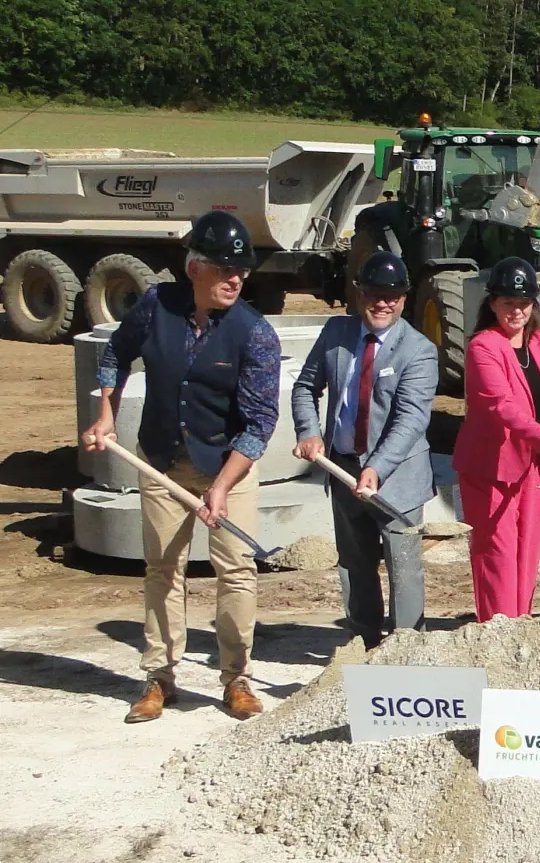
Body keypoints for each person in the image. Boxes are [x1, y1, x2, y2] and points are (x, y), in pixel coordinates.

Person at [81, 211, 280, 723]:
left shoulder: (255, 333)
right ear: (195, 268)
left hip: (229, 466)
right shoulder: (155, 306)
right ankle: (160, 677)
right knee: (164, 569)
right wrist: (106, 412)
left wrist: (222, 486)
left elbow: (260, 423)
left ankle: (236, 678)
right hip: (162, 462)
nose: (235, 279)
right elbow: (115, 354)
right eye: (224, 269)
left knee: (236, 570)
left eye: (242, 271)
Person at [291, 252, 438, 650]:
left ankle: (406, 649)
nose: (382, 303)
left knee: (403, 568)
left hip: (397, 479)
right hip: (342, 468)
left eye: (392, 296)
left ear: (404, 299)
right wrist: (309, 432)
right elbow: (305, 387)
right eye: (374, 294)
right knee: (355, 563)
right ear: (359, 295)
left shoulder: (419, 350)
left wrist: (376, 468)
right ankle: (364, 645)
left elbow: (410, 420)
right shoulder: (336, 333)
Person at [452, 256, 540, 621]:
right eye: (508, 302)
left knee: (527, 551)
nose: (516, 311)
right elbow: (500, 405)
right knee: (497, 553)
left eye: (524, 303)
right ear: (493, 303)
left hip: (532, 465)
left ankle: (520, 623)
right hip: (491, 468)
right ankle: (498, 627)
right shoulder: (483, 346)